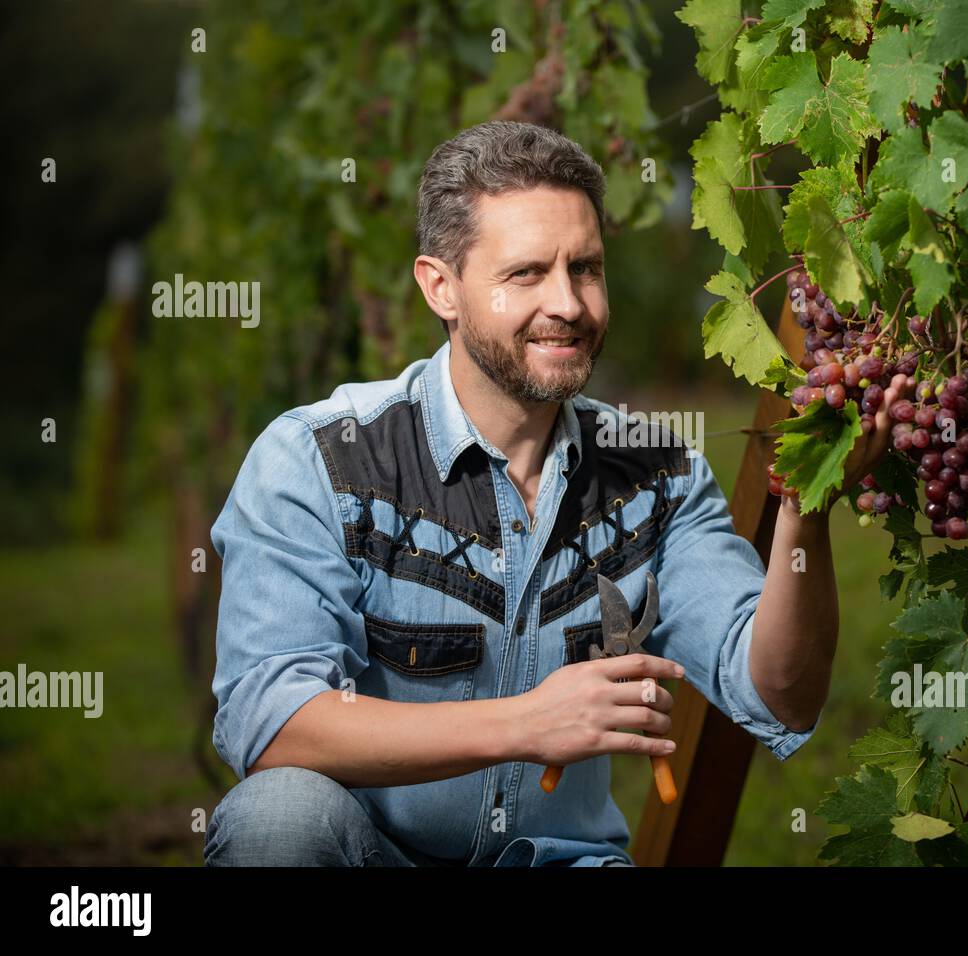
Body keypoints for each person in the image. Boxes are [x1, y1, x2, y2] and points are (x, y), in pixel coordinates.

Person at [203, 120, 904, 867]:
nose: (567, 303)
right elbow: (270, 721)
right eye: (526, 273)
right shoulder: (321, 460)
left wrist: (805, 514)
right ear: (440, 286)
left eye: (587, 269)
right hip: (373, 858)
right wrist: (528, 722)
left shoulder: (652, 472)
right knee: (276, 817)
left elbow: (779, 693)